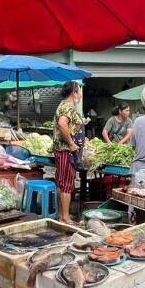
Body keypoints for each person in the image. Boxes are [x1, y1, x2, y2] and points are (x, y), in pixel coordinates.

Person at [52, 81, 84, 223]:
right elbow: (62, 123)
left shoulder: (64, 105)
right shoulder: (68, 106)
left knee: (62, 183)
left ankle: (62, 215)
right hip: (66, 151)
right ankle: (65, 217)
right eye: (80, 90)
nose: (81, 93)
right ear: (74, 93)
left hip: (62, 150)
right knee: (66, 184)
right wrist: (71, 143)